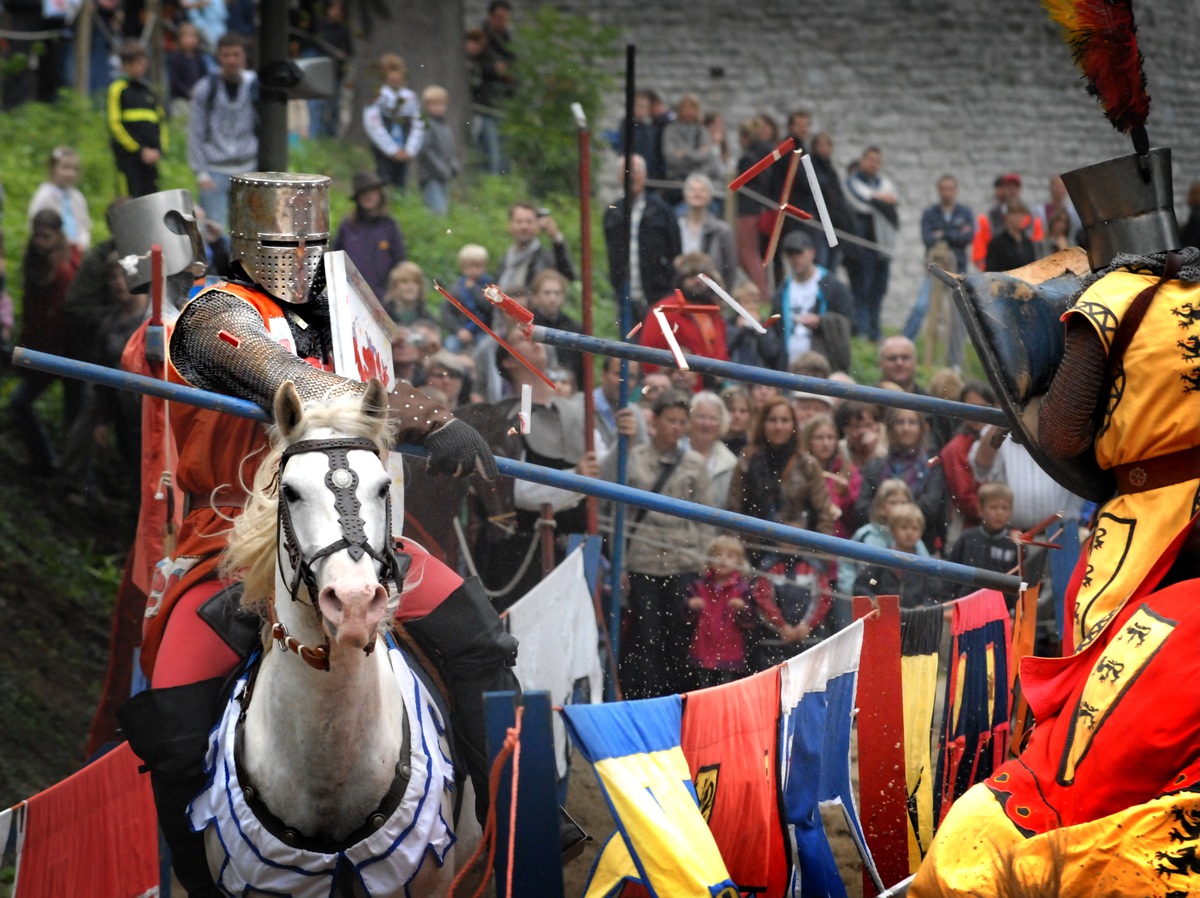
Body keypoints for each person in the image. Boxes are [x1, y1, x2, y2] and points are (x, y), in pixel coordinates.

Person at [112, 178, 504, 896]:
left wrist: (425, 412)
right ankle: (201, 885)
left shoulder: (334, 315)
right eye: (283, 243)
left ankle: (509, 818)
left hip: (343, 524)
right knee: (172, 716)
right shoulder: (212, 315)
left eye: (309, 243)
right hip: (232, 540)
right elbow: (286, 380)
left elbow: (366, 385)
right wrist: (427, 418)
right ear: (247, 244)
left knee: (475, 633)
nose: (298, 256)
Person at [473, 324, 598, 609]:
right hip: (519, 553)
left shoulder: (578, 412)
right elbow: (516, 492)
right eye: (521, 338)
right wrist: (576, 479)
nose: (534, 340)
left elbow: (606, 474)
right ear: (508, 360)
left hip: (577, 547)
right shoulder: (503, 418)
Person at [605, 390, 712, 699]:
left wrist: (704, 557)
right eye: (670, 420)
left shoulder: (694, 462)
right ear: (656, 420)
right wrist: (620, 562)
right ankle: (645, 697)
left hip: (683, 561)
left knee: (680, 636)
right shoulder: (635, 457)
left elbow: (705, 515)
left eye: (682, 421)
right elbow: (619, 513)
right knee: (646, 636)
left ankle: (678, 698)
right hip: (643, 560)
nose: (676, 427)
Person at [7, 210, 83, 475]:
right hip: (42, 349)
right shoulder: (35, 262)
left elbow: (63, 317)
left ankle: (73, 477)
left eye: (46, 237)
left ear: (57, 236)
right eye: (37, 236)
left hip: (66, 352)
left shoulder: (65, 269)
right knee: (20, 403)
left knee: (75, 417)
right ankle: (46, 463)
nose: (40, 242)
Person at [682, 535, 789, 690]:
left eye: (729, 555)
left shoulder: (743, 588)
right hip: (703, 648)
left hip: (731, 651)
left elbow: (750, 622)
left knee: (727, 689)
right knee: (702, 689)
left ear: (739, 561)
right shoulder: (699, 586)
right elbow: (685, 618)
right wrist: (690, 605)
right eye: (718, 555)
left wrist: (743, 609)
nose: (723, 560)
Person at [187, 32, 257, 229]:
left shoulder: (254, 85)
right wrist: (200, 173)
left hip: (248, 167)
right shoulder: (205, 88)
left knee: (248, 231)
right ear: (219, 57)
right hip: (214, 169)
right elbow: (195, 132)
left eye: (236, 54)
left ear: (244, 57)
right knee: (214, 231)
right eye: (226, 55)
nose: (231, 60)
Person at [854, 406, 948, 552]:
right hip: (878, 543)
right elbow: (862, 507)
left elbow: (932, 506)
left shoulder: (931, 464)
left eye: (912, 422)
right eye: (900, 422)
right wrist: (884, 516)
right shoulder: (876, 465)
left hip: (920, 544)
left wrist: (901, 518)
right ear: (891, 428)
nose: (906, 428)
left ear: (921, 428)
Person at [904, 175, 974, 367]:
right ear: (938, 190)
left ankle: (955, 361)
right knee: (921, 306)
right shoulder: (930, 213)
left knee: (958, 317)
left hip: (957, 272)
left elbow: (967, 237)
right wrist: (954, 234)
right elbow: (928, 239)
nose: (946, 193)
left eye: (950, 188)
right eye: (943, 188)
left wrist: (943, 234)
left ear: (956, 190)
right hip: (934, 272)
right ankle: (904, 344)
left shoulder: (965, 212)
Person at [604, 154, 682, 321]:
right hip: (625, 296)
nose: (631, 177)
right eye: (626, 172)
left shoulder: (662, 211)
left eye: (636, 172)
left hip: (657, 294)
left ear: (645, 176)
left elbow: (676, 250)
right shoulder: (613, 212)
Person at [767, 229, 854, 373]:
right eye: (790, 255)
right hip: (789, 367)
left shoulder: (832, 286)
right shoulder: (782, 291)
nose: (796, 259)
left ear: (812, 252)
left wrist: (821, 322)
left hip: (823, 365)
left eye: (799, 253)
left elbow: (848, 323)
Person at [836, 478, 924, 603]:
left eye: (903, 503)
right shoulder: (866, 534)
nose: (898, 507)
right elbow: (847, 564)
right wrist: (853, 595)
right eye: (893, 502)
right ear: (881, 507)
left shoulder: (914, 540)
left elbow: (926, 571)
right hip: (860, 598)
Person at [845, 146, 899, 341]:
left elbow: (894, 198)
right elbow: (861, 202)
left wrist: (877, 198)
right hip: (863, 245)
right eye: (870, 160)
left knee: (879, 290)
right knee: (862, 289)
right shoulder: (852, 181)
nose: (873, 164)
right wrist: (878, 199)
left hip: (882, 246)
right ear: (862, 160)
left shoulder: (884, 182)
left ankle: (875, 333)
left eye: (877, 161)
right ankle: (862, 331)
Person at [331, 171, 407, 300]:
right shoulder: (348, 226)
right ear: (357, 198)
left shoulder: (389, 226)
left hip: (383, 297)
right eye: (363, 192)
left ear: (380, 194)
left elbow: (400, 262)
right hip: (351, 295)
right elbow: (335, 260)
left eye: (372, 190)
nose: (368, 195)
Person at [852, 503, 942, 608]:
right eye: (904, 527)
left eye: (914, 528)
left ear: (921, 532)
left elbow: (933, 595)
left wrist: (925, 606)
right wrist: (872, 599)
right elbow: (861, 586)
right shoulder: (881, 560)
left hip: (913, 621)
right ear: (893, 530)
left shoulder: (925, 565)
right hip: (882, 618)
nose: (909, 533)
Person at [108, 39, 166, 198]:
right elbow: (115, 125)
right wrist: (139, 149)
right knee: (131, 200)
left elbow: (160, 121)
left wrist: (159, 149)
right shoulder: (118, 89)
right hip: (129, 160)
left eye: (142, 62)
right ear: (125, 66)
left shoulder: (149, 91)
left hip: (151, 160)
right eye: (134, 63)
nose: (140, 67)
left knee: (152, 199)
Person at [944, 481, 1018, 605]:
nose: (999, 513)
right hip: (967, 606)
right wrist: (948, 601)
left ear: (1011, 511)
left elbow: (1021, 582)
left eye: (1004, 508)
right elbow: (950, 575)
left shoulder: (1014, 544)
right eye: (993, 507)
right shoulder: (967, 539)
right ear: (980, 509)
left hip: (1001, 610)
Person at [362, 53, 424, 192]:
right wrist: (392, 150)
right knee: (383, 180)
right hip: (383, 149)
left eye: (397, 71)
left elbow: (418, 124)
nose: (395, 76)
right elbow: (374, 125)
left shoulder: (410, 97)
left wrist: (410, 150)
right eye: (390, 72)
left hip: (405, 148)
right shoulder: (377, 96)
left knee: (401, 184)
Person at [939, 381, 995, 535]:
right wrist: (1001, 514)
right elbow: (963, 498)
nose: (977, 415)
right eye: (971, 408)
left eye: (983, 408)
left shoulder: (1003, 441)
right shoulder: (956, 447)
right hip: (970, 529)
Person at [495, 202, 575, 293]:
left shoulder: (544, 259)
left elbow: (567, 275)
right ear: (510, 226)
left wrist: (556, 237)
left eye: (529, 222)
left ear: (537, 225)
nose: (524, 226)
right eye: (519, 222)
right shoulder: (506, 259)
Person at [474, 0, 516, 174]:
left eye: (505, 18)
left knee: (505, 157)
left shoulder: (508, 41)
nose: (502, 22)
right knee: (492, 155)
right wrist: (494, 69)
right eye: (499, 18)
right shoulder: (480, 38)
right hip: (486, 105)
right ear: (491, 17)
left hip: (504, 104)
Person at [660, 93, 722, 208]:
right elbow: (671, 157)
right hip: (677, 183)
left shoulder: (703, 131)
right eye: (685, 108)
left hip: (700, 181)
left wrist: (684, 153)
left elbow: (707, 156)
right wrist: (697, 155)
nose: (688, 112)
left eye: (692, 108)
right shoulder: (670, 130)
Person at [527, 269, 585, 389]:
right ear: (536, 296)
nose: (552, 298)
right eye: (547, 293)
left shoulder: (574, 328)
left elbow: (580, 368)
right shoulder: (528, 325)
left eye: (557, 293)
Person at [677, 173, 737, 289]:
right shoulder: (676, 225)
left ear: (710, 196)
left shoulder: (722, 230)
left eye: (702, 190)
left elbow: (730, 268)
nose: (697, 193)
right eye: (692, 189)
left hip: (710, 292)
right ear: (685, 195)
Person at [27, 146, 91, 252]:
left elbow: (84, 225)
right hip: (53, 251)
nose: (70, 174)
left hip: (77, 250)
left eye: (74, 169)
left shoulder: (77, 197)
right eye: (65, 168)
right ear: (52, 168)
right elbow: (34, 225)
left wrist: (82, 243)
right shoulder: (44, 196)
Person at [687, 390, 739, 508]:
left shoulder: (730, 463)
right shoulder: (675, 450)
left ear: (722, 423)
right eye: (701, 416)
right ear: (690, 419)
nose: (707, 423)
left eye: (713, 418)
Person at [417, 85, 459, 216]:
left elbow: (449, 149)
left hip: (443, 176)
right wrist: (441, 169)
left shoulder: (444, 125)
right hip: (430, 176)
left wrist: (453, 165)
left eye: (441, 104)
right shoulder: (426, 124)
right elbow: (425, 151)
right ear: (427, 105)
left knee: (444, 210)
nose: (439, 107)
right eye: (435, 104)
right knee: (436, 211)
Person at [441, 244, 492, 352]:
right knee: (450, 346)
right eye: (469, 267)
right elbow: (446, 312)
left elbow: (489, 307)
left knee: (485, 348)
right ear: (462, 267)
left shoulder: (489, 285)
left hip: (484, 331)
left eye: (477, 266)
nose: (473, 270)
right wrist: (458, 330)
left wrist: (474, 290)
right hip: (461, 330)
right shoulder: (457, 288)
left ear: (484, 267)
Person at [593, 355, 646, 454]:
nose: (625, 382)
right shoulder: (582, 407)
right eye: (619, 374)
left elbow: (642, 456)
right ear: (603, 375)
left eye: (631, 376)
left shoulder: (636, 414)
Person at [165, 21, 213, 119]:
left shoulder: (199, 57)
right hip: (180, 98)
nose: (191, 40)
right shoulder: (175, 58)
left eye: (193, 36)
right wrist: (187, 91)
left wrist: (200, 91)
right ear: (179, 39)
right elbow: (174, 79)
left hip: (198, 97)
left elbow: (204, 76)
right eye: (187, 36)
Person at [984, 201, 1037, 272]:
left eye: (1021, 214)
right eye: (1015, 214)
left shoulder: (1027, 243)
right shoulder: (997, 242)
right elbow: (991, 269)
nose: (1019, 218)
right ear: (1007, 216)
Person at [720, 385, 751, 456]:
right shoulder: (712, 443)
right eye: (732, 410)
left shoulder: (753, 447)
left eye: (743, 411)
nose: (737, 416)